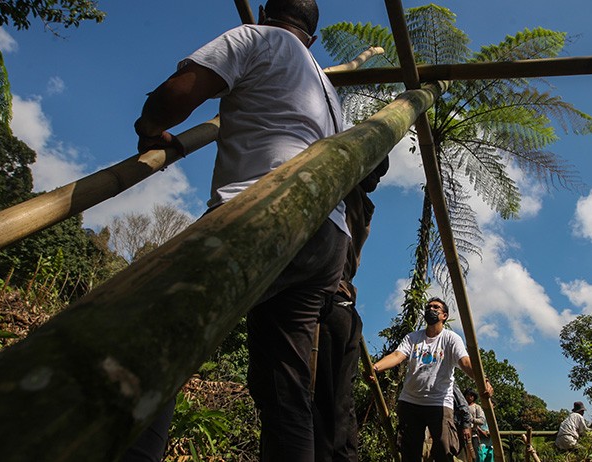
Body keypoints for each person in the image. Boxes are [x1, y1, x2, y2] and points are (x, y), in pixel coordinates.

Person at [128, 1, 348, 461]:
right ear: (313, 36)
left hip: (268, 209)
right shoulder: (327, 89)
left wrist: (150, 127)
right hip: (328, 238)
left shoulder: (256, 38)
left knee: (152, 328)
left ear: (266, 12)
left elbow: (176, 96)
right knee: (284, 386)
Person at [313, 157, 389, 462]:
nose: (378, 181)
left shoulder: (344, 198)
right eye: (375, 173)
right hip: (344, 308)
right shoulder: (360, 207)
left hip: (330, 303)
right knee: (340, 408)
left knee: (323, 404)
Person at [371, 298, 493, 462]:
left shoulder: (451, 338)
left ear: (444, 315)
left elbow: (465, 362)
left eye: (436, 307)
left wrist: (482, 381)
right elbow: (397, 356)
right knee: (409, 452)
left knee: (444, 449)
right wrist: (376, 367)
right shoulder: (413, 338)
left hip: (439, 403)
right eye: (428, 307)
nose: (431, 309)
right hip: (410, 402)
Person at [464, 389, 485, 462]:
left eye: (471, 396)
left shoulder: (477, 407)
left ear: (474, 397)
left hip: (473, 434)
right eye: (467, 395)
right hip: (462, 434)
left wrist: (472, 419)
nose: (469, 397)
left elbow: (482, 421)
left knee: (476, 454)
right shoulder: (462, 406)